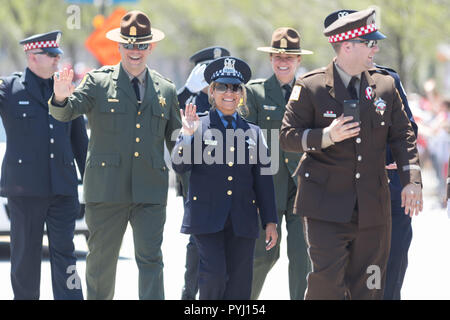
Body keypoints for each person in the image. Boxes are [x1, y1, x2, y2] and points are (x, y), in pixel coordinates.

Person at [279, 8, 423, 299]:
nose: (376, 48)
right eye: (369, 42)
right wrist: (327, 136)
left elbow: (403, 134)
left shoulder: (385, 85)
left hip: (372, 206)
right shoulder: (311, 86)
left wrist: (412, 180)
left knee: (370, 285)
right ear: (347, 46)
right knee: (327, 285)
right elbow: (287, 137)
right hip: (325, 207)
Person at [48, 10, 182, 300]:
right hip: (107, 191)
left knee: (151, 261)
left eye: (142, 45)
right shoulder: (98, 82)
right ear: (119, 46)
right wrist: (59, 95)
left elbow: (177, 145)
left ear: (151, 47)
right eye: (129, 45)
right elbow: (67, 111)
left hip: (150, 191)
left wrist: (191, 140)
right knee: (100, 263)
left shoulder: (167, 90)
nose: (136, 51)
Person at [172, 56, 278, 299]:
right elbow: (179, 165)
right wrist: (187, 136)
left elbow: (264, 180)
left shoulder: (254, 132)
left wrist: (270, 221)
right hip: (206, 219)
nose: (229, 93)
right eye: (222, 86)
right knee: (213, 278)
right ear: (211, 90)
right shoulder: (197, 125)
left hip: (243, 219)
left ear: (241, 93)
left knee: (240, 286)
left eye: (235, 87)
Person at [0, 31, 87, 300]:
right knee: (25, 259)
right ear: (32, 57)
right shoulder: (10, 89)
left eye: (57, 55)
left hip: (62, 189)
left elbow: (80, 142)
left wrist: (93, 183)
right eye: (50, 55)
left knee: (67, 259)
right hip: (25, 192)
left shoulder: (65, 88)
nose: (56, 61)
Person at [245, 27, 313, 300]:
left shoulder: (311, 92)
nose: (283, 62)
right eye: (277, 56)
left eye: (289, 57)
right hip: (267, 188)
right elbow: (245, 139)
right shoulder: (255, 93)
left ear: (298, 60)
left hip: (302, 188)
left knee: (302, 258)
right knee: (263, 254)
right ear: (271, 59)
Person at [176, 46, 230, 300]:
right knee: (198, 238)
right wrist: (188, 90)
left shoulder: (230, 92)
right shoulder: (192, 96)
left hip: (228, 174)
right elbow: (170, 120)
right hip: (196, 175)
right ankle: (190, 292)